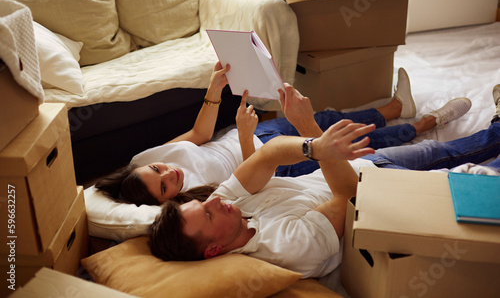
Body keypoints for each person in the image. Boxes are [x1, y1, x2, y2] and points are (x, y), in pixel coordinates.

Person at [148, 85, 500, 279]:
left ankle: (492, 126)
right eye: (208, 215)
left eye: (204, 203)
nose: (213, 201)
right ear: (212, 250)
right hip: (382, 199)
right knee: (478, 176)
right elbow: (348, 196)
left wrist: (314, 147)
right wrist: (309, 130)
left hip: (363, 168)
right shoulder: (286, 249)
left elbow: (265, 157)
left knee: (440, 149)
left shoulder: (227, 207)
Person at [95, 64, 471, 206]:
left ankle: (395, 109)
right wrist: (244, 139)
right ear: (164, 202)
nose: (168, 174)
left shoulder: (140, 163)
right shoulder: (191, 204)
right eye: (164, 186)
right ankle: (424, 125)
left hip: (250, 134)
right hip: (270, 161)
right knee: (346, 145)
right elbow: (254, 180)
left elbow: (197, 133)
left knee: (321, 115)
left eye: (159, 170)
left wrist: (214, 90)